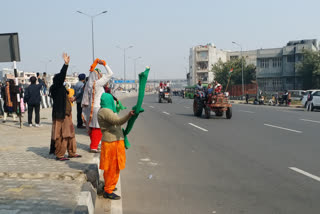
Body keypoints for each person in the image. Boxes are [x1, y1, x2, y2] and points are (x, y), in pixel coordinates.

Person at [98, 93, 134, 200]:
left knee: (113, 167)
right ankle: (108, 191)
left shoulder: (105, 111)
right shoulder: (105, 111)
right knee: (112, 168)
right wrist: (128, 115)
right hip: (111, 143)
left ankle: (110, 186)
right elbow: (117, 121)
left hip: (113, 142)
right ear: (109, 100)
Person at [49, 53, 81, 160]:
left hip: (67, 114)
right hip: (60, 115)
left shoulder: (61, 88)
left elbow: (65, 96)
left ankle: (72, 152)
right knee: (60, 135)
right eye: (62, 79)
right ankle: (60, 154)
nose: (63, 80)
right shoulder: (55, 87)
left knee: (70, 134)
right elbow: (62, 75)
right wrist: (66, 64)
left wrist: (70, 98)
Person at [82, 60, 114, 153]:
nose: (100, 75)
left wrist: (94, 65)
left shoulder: (89, 84)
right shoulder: (98, 83)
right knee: (98, 127)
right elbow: (110, 73)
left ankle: (94, 145)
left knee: (92, 127)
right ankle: (94, 146)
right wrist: (105, 64)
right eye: (99, 73)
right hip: (97, 107)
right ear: (96, 75)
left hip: (90, 108)